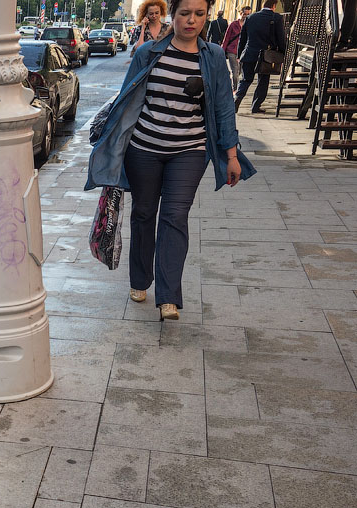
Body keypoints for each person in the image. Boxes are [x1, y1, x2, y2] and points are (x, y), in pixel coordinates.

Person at [86, 0, 255, 321]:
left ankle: (168, 297)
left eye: (200, 14)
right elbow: (124, 101)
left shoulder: (214, 57)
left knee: (175, 216)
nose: (192, 21)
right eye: (185, 14)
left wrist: (231, 155)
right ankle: (139, 279)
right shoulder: (148, 53)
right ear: (172, 14)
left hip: (189, 151)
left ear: (207, 15)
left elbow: (223, 107)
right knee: (144, 213)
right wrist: (111, 148)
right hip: (144, 149)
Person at [234, 0, 286, 113]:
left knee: (245, 79)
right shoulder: (276, 18)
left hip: (249, 53)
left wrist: (239, 54)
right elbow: (280, 38)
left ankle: (237, 100)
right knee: (263, 81)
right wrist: (283, 52)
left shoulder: (251, 17)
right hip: (266, 56)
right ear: (274, 6)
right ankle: (255, 106)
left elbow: (242, 38)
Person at [221, 6, 251, 92]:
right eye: (244, 14)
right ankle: (235, 90)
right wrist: (222, 51)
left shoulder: (249, 25)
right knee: (235, 72)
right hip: (232, 51)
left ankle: (235, 87)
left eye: (248, 14)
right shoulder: (233, 25)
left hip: (243, 52)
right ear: (240, 13)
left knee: (240, 72)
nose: (246, 16)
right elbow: (226, 38)